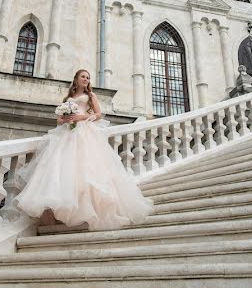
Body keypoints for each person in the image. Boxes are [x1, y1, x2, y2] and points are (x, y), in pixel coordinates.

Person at [13, 69, 153, 230]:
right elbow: (59, 120)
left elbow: (99, 114)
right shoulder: (68, 99)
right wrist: (66, 118)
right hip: (67, 134)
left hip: (84, 133)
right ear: (76, 79)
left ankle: (88, 212)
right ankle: (65, 213)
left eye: (88, 77)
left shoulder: (91, 96)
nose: (86, 79)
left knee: (86, 169)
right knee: (63, 170)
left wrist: (80, 117)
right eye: (83, 77)